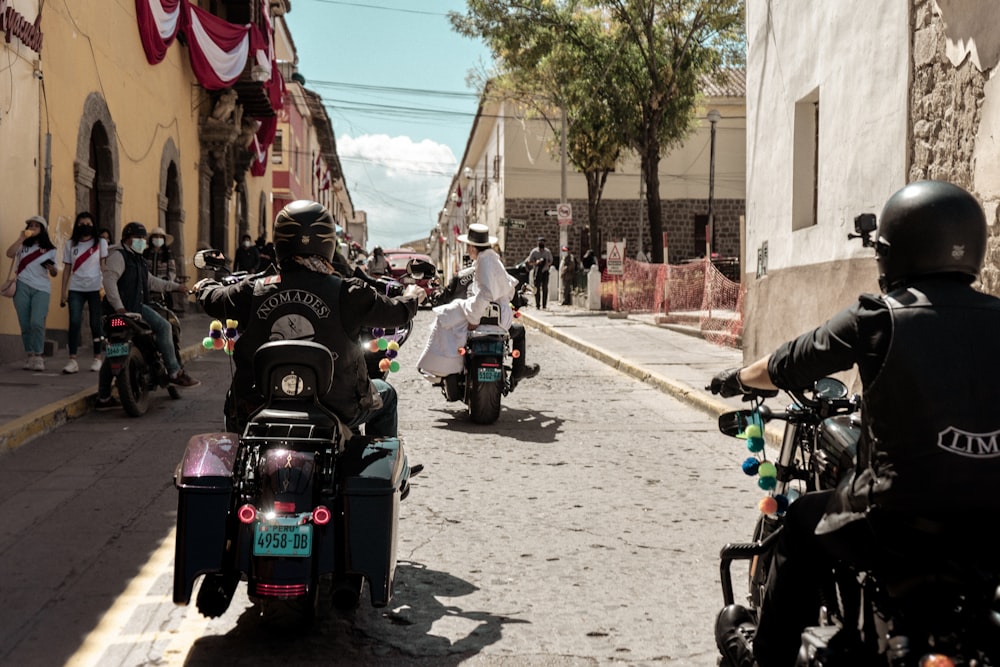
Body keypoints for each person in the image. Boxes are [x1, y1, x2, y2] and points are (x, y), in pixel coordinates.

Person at [709, 180, 1000, 667]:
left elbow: (790, 361)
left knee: (801, 522)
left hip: (896, 522)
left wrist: (737, 377)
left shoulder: (880, 318)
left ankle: (765, 659)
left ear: (893, 252)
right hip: (990, 526)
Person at [195, 200, 426, 435]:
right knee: (386, 394)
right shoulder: (349, 293)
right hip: (338, 406)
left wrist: (203, 285)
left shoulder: (251, 290)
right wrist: (412, 295)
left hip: (255, 404)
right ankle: (371, 460)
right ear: (328, 242)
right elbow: (397, 313)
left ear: (279, 241)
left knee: (234, 406)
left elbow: (213, 300)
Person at [417, 223, 539, 386]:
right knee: (519, 331)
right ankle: (518, 371)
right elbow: (507, 287)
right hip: (496, 318)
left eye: (468, 246)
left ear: (474, 248)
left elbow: (486, 293)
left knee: (445, 322)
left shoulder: (481, 264)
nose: (467, 249)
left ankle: (443, 369)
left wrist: (473, 318)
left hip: (484, 318)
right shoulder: (492, 260)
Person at [96, 222, 198, 410]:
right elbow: (109, 281)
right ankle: (174, 372)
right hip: (123, 312)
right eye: (138, 238)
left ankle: (103, 398)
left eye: (143, 239)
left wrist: (176, 287)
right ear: (127, 239)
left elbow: (151, 282)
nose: (142, 242)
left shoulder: (139, 259)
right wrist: (119, 308)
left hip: (132, 309)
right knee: (164, 326)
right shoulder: (119, 256)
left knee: (114, 353)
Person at [5, 215, 58, 371]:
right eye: (30, 225)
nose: (33, 228)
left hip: (41, 288)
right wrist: (21, 238)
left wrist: (52, 269)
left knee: (37, 321)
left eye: (36, 225)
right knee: (25, 323)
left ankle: (39, 355)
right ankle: (30, 355)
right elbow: (9, 253)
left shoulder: (51, 249)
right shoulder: (23, 245)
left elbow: (54, 272)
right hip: (21, 285)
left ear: (42, 229)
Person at [59, 212, 109, 373]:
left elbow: (103, 266)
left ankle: (97, 358)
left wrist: (105, 287)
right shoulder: (70, 244)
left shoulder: (101, 243)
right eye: (81, 224)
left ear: (93, 225)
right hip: (76, 288)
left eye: (88, 223)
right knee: (74, 323)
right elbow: (67, 269)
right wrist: (63, 292)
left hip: (95, 288)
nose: (85, 226)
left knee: (96, 323)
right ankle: (72, 360)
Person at [143, 226, 180, 313]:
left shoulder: (168, 253)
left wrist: (168, 281)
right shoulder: (146, 253)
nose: (158, 239)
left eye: (160, 237)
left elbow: (172, 270)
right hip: (148, 286)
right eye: (156, 236)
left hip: (163, 287)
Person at [524, 237, 553, 309]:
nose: (541, 243)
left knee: (545, 288)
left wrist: (546, 263)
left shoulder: (547, 252)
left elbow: (551, 261)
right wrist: (536, 262)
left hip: (545, 271)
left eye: (543, 242)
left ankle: (544, 305)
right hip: (537, 271)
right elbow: (529, 262)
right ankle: (537, 304)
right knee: (536, 289)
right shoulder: (534, 252)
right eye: (540, 242)